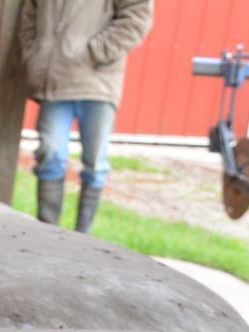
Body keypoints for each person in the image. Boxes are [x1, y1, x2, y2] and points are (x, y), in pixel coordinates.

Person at [18, 0, 153, 233]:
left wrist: (94, 52)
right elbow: (29, 17)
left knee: (95, 163)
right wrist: (34, 54)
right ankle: (47, 233)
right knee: (50, 153)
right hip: (55, 82)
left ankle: (83, 237)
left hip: (97, 83)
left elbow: (137, 18)